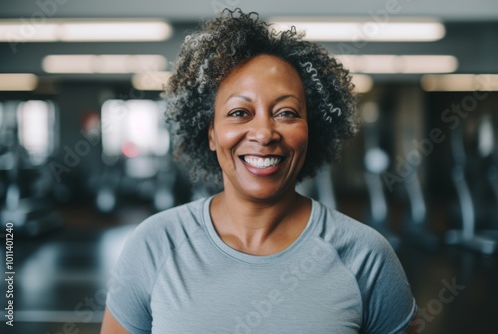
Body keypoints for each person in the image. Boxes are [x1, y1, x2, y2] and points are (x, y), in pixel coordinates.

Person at [101, 9, 417, 334]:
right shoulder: (155, 244)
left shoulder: (366, 255)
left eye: (286, 112)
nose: (264, 133)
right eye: (240, 112)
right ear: (210, 133)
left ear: (313, 129)